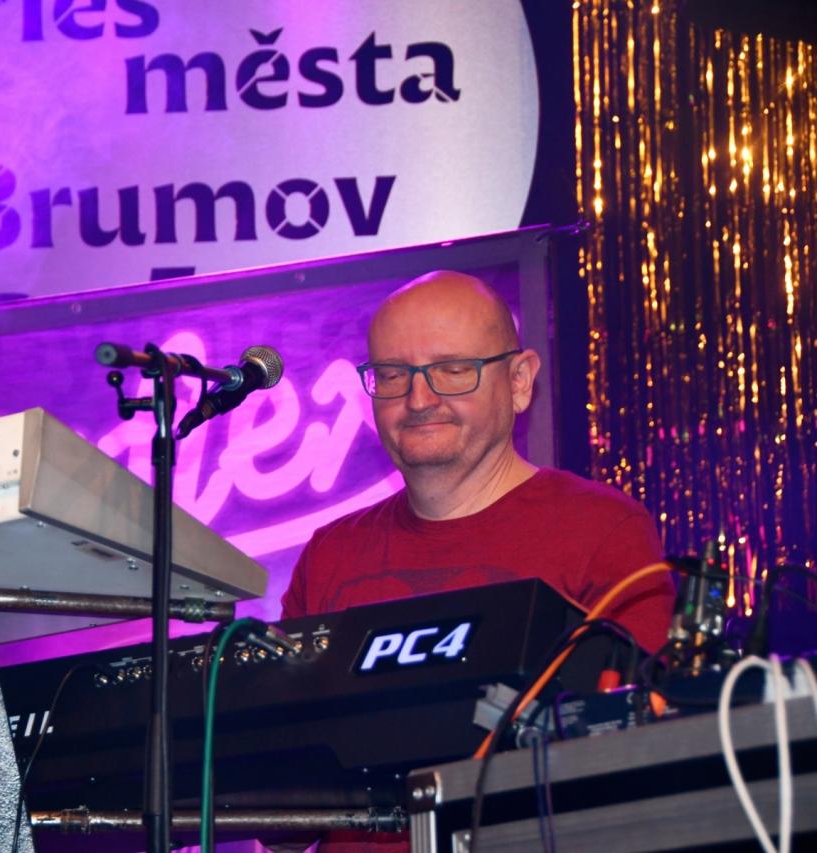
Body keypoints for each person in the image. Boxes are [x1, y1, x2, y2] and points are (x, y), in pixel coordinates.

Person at [274, 270, 675, 853]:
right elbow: (283, 819)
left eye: (453, 369)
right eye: (393, 374)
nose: (418, 399)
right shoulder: (330, 553)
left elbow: (641, 760)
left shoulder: (604, 530)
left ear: (519, 382)